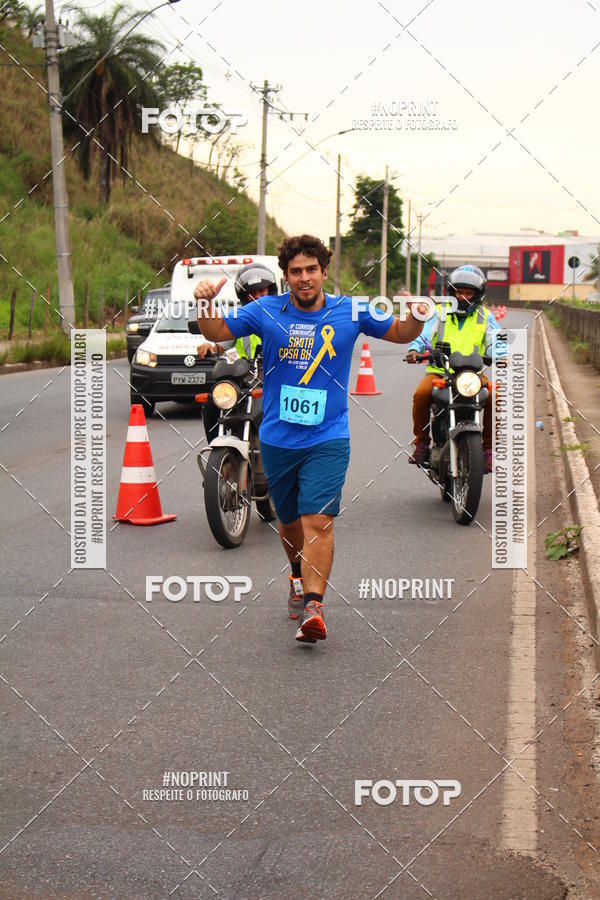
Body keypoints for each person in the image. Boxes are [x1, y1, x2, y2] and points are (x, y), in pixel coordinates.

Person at [194, 234, 429, 645]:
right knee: (289, 523)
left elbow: (401, 332)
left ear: (324, 272)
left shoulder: (351, 310)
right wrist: (203, 301)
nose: (304, 278)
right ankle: (297, 577)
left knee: (317, 520)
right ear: (285, 276)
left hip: (328, 436)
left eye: (311, 270)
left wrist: (417, 314)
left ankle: (314, 607)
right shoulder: (265, 310)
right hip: (278, 438)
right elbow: (215, 328)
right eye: (296, 271)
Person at [406, 264, 501, 473]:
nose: (463, 297)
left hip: (472, 375)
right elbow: (423, 336)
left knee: (495, 394)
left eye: (468, 293)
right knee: (421, 394)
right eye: (459, 292)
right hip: (440, 373)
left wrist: (501, 355)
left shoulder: (485, 317)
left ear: (478, 295)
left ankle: (487, 449)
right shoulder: (438, 312)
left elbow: (496, 340)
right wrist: (415, 350)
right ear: (451, 292)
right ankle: (421, 442)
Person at [198, 263, 278, 443]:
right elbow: (219, 340)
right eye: (252, 293)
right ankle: (215, 446)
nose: (258, 297)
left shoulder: (282, 315)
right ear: (244, 297)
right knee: (212, 402)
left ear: (271, 290)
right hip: (246, 378)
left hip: (275, 376)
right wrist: (210, 347)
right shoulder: (243, 319)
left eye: (262, 291)